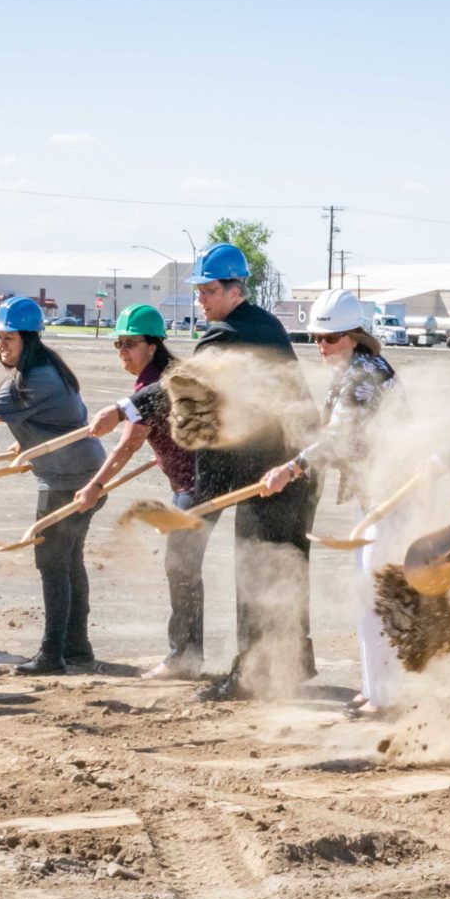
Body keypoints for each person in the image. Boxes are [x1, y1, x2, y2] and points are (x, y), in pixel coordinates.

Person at [91, 243, 320, 701]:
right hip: (297, 465)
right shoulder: (265, 324)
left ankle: (250, 678)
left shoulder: (227, 333)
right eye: (199, 291)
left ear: (236, 291)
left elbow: (182, 382)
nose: (201, 299)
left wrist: (123, 409)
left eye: (209, 290)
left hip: (271, 471)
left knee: (257, 570)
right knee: (285, 571)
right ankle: (290, 670)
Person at [0, 297, 107, 675]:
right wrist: (28, 443)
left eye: (9, 338)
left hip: (66, 482)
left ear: (29, 338)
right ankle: (77, 649)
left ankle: (52, 654)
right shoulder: (49, 368)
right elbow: (61, 419)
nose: (1, 345)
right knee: (68, 561)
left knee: (52, 564)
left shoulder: (31, 381)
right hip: (88, 474)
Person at [263, 289, 406, 715]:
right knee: (369, 594)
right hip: (373, 492)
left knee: (376, 595)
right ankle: (373, 689)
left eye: (330, 338)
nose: (321, 346)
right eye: (316, 338)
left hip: (390, 494)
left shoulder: (364, 374)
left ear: (354, 336)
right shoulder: (354, 368)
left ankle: (385, 697)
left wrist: (291, 468)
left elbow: (339, 437)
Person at [74, 304, 207, 680]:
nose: (123, 352)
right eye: (118, 344)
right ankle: (188, 655)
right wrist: (161, 454)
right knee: (183, 569)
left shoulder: (154, 385)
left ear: (153, 345)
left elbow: (128, 444)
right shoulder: (160, 376)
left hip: (194, 485)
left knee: (180, 568)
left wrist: (95, 486)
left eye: (130, 344)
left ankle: (183, 657)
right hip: (188, 481)